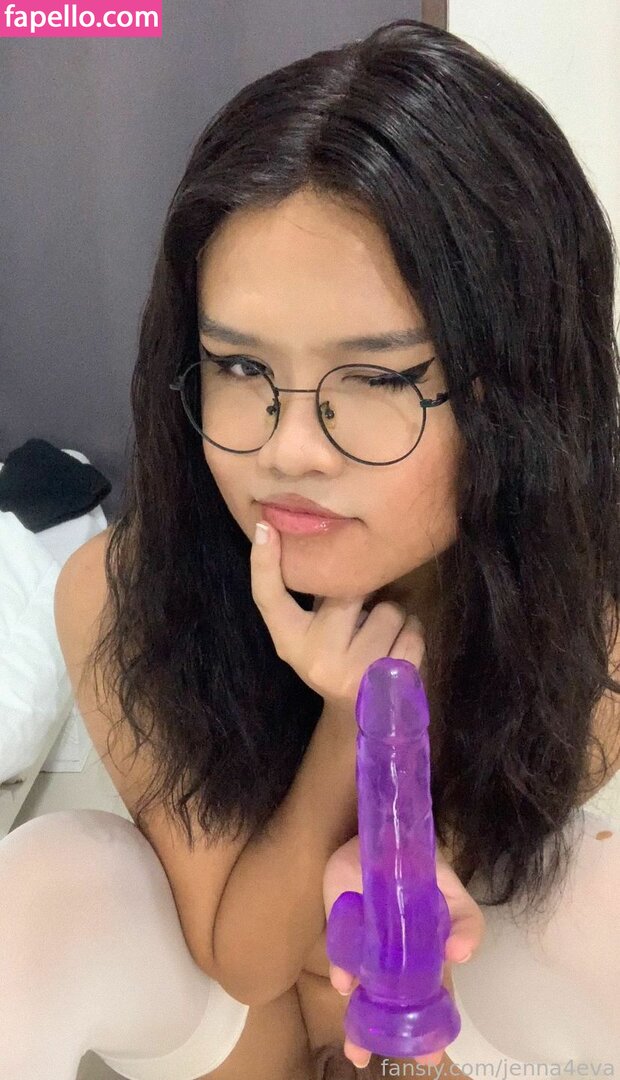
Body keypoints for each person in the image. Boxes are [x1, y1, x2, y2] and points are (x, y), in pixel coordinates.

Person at [1, 15, 619, 1080]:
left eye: (375, 378)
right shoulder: (121, 592)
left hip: (451, 1003)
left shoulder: (587, 623)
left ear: (515, 393)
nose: (287, 451)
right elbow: (248, 961)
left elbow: (407, 936)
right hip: (228, 1016)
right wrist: (349, 712)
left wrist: (403, 757)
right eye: (240, 368)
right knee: (50, 879)